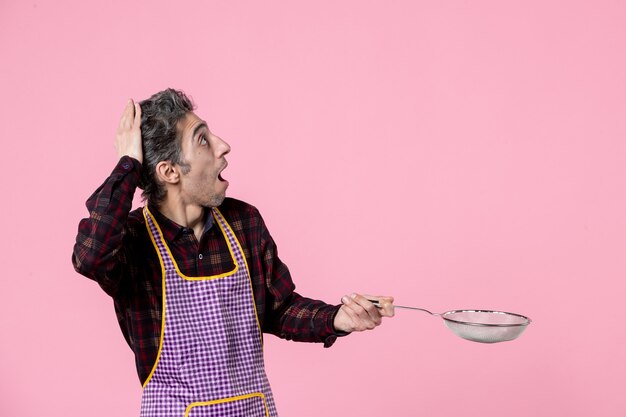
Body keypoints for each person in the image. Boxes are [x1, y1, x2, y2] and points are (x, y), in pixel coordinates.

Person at [72, 88, 395, 417]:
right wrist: (128, 164)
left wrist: (337, 318)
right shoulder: (132, 240)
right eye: (202, 140)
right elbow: (91, 256)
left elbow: (277, 309)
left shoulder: (244, 222)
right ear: (170, 172)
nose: (223, 145)